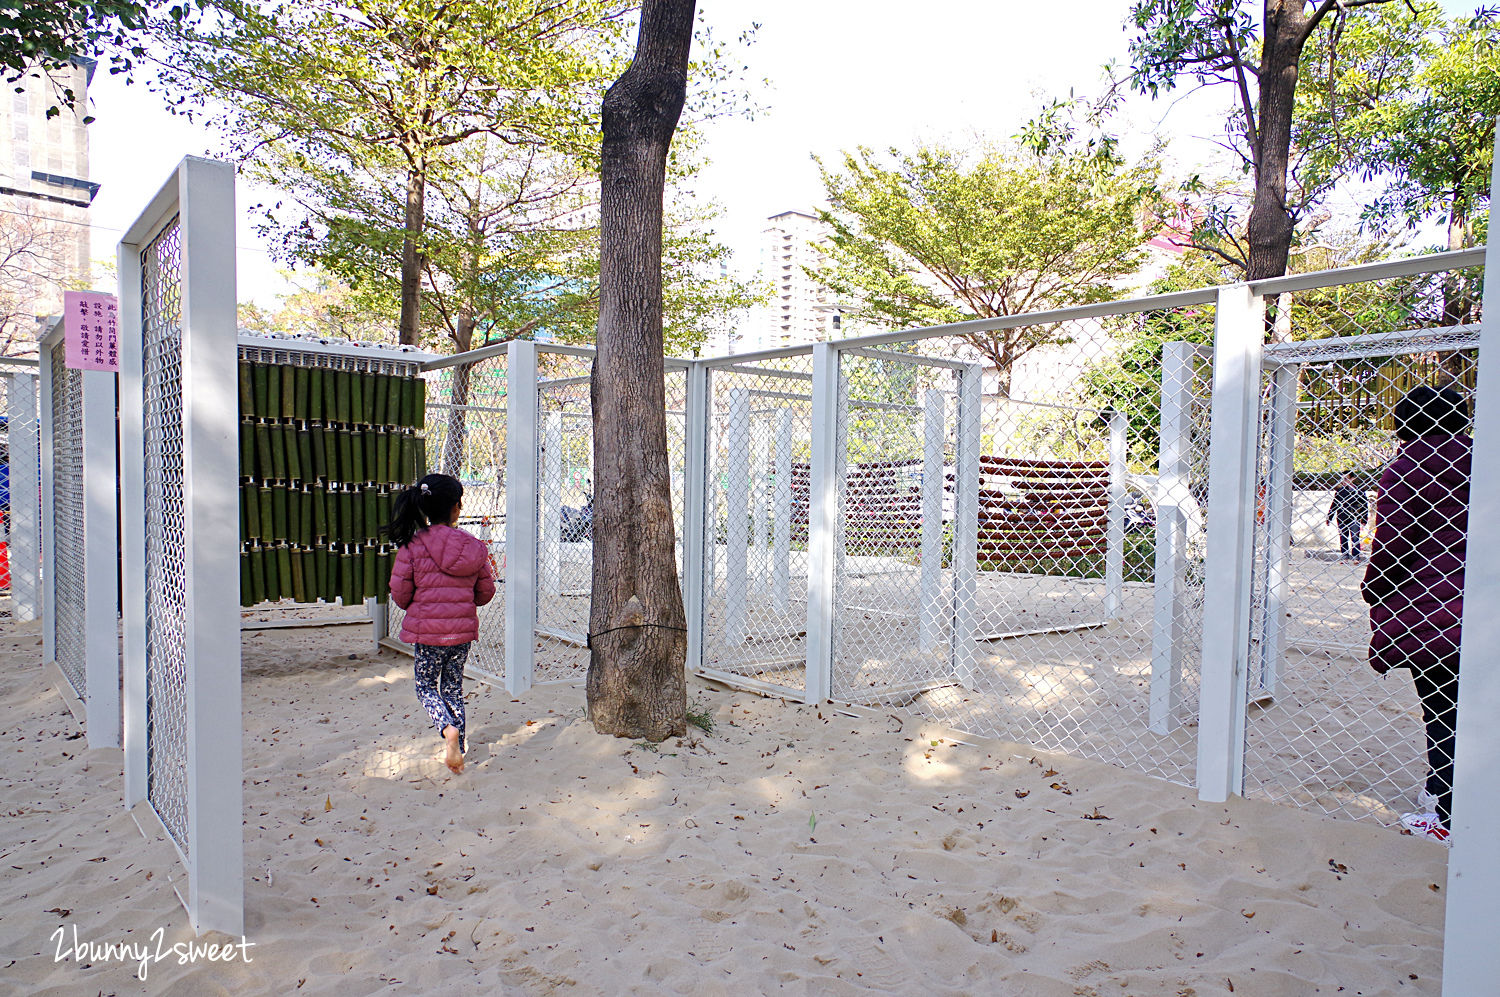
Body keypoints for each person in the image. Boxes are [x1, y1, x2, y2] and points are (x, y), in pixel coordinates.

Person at [1360, 384, 1471, 845]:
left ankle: (1447, 813)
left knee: (1443, 709)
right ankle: (1446, 794)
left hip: (1433, 611)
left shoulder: (1409, 467)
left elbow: (1393, 545)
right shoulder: (1480, 457)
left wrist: (1373, 588)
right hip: (1478, 599)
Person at [386, 473, 496, 773]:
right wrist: (463, 601)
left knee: (425, 687)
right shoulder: (474, 546)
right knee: (452, 688)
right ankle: (458, 748)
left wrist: (419, 606)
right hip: (461, 633)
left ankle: (447, 730)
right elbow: (486, 591)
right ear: (456, 508)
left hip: (427, 634)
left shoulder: (412, 547)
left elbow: (400, 592)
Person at [1326, 473, 1369, 562]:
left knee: (1355, 536)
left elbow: (1364, 505)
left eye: (1346, 479)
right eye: (1342, 479)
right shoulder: (1340, 491)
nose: (1343, 481)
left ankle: (1356, 556)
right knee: (1343, 536)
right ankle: (1345, 555)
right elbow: (1334, 504)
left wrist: (1364, 518)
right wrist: (1329, 517)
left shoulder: (1359, 491)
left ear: (1352, 479)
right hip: (1342, 516)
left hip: (1355, 516)